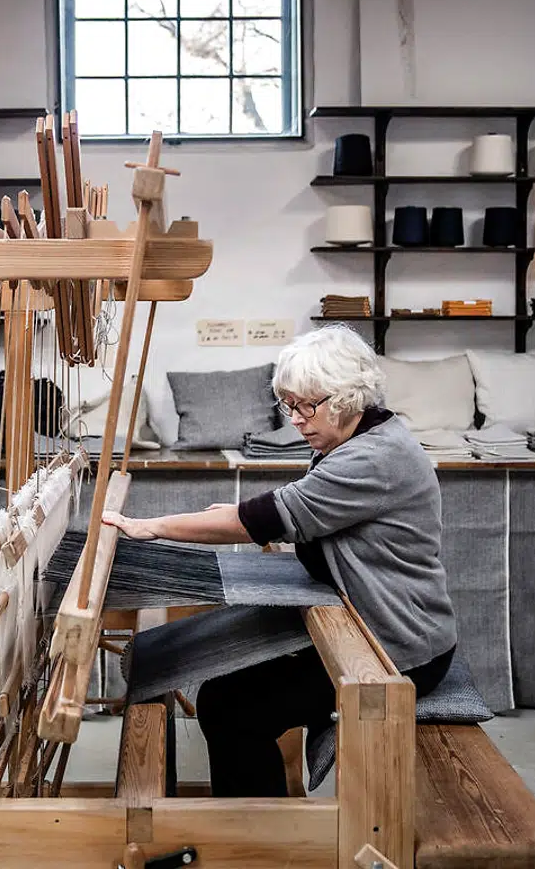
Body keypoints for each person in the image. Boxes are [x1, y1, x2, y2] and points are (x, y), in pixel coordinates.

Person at [103, 325, 457, 796]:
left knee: (230, 706)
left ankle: (260, 838)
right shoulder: (357, 440)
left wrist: (152, 526)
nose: (295, 419)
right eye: (288, 405)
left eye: (306, 405)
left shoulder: (372, 458)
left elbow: (267, 518)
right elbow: (290, 512)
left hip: (396, 649)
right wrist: (238, 517)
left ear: (348, 397)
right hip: (364, 625)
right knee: (229, 696)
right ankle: (259, 817)